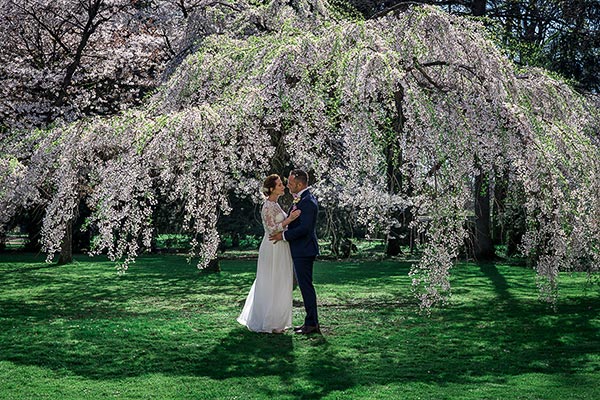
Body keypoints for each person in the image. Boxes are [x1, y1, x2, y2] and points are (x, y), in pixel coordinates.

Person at [237, 174, 301, 333]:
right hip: (272, 246)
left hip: (281, 246)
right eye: (280, 185)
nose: (283, 187)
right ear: (272, 189)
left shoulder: (276, 205)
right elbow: (272, 229)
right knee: (271, 281)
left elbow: (279, 225)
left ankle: (277, 321)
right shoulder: (267, 206)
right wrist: (290, 219)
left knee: (280, 281)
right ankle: (269, 322)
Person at [270, 169, 320, 335]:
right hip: (300, 249)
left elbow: (304, 229)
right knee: (304, 287)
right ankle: (309, 322)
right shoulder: (302, 199)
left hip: (304, 250)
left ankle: (312, 323)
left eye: (290, 183)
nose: (288, 186)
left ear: (299, 184)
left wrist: (282, 235)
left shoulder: (308, 202)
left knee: (306, 287)